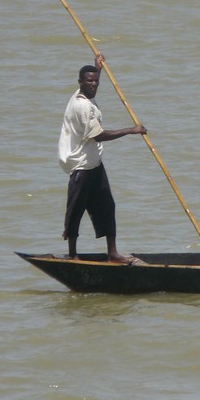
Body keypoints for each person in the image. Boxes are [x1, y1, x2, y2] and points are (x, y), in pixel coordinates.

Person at [58, 53, 147, 264]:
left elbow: (93, 79)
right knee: (75, 211)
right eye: (89, 81)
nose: (93, 84)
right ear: (80, 83)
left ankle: (113, 253)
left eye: (96, 81)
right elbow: (99, 135)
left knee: (107, 206)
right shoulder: (82, 106)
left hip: (95, 164)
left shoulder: (85, 95)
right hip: (81, 166)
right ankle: (72, 255)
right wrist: (131, 130)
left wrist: (99, 68)